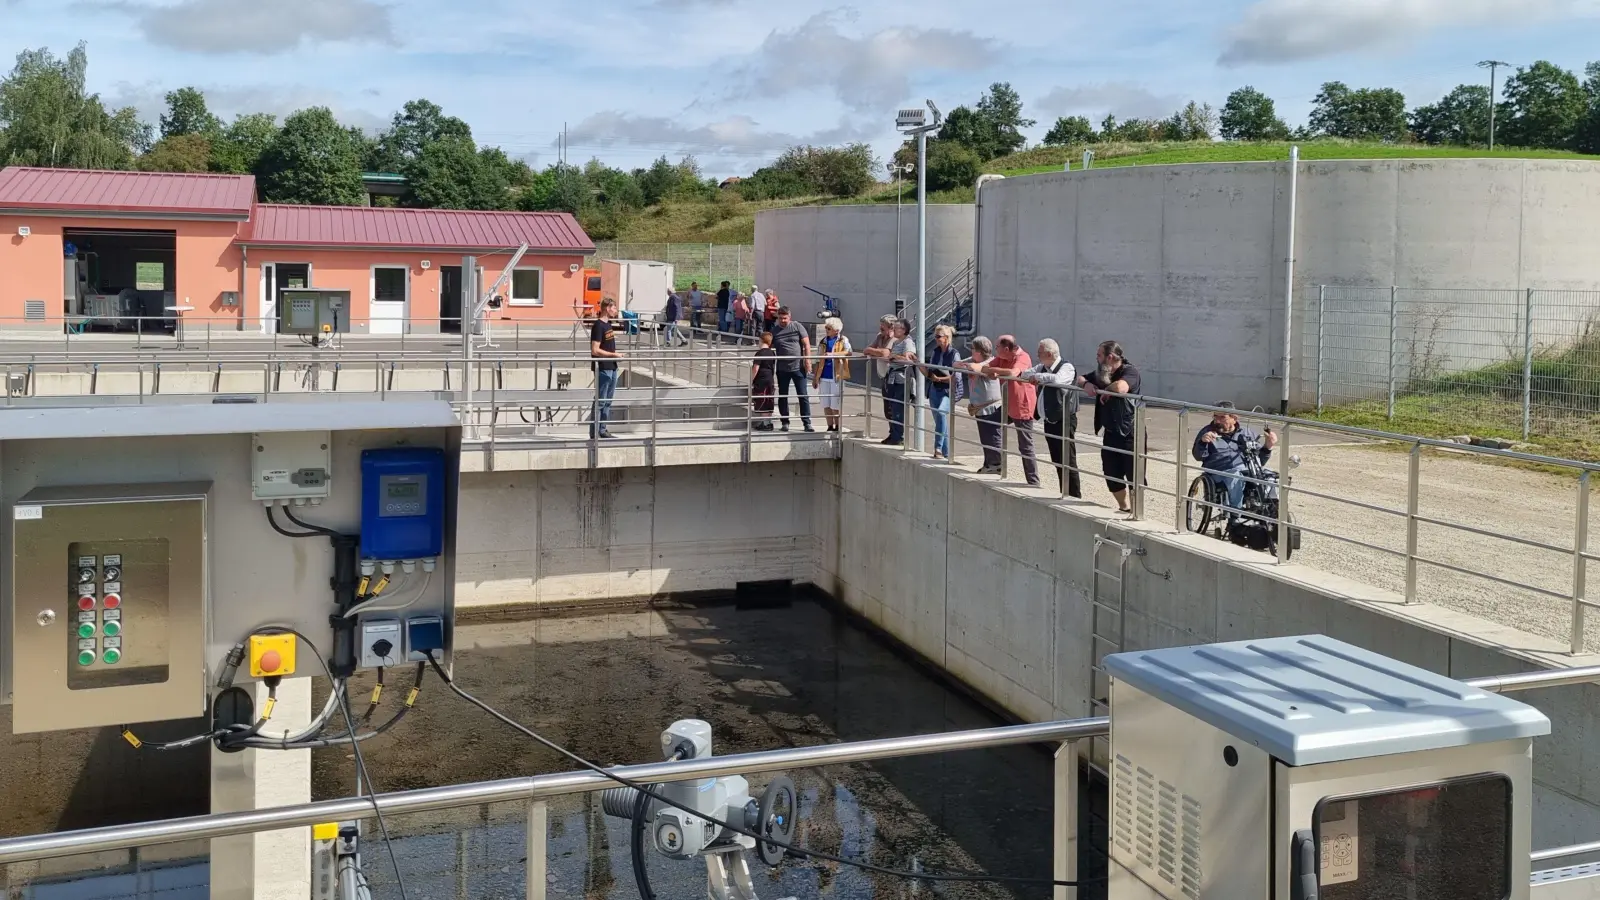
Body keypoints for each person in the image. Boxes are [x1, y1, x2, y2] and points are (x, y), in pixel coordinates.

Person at [1078, 340, 1142, 513]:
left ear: (1110, 357)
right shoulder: (1101, 372)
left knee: (1134, 473)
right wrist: (1086, 384)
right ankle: (1124, 507)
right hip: (1110, 431)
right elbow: (1080, 378)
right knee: (1110, 471)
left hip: (1131, 431)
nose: (1097, 359)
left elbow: (1121, 387)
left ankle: (1137, 511)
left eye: (1099, 355)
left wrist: (1106, 391)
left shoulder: (1130, 371)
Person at [1193, 401, 1277, 516]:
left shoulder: (1247, 432)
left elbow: (1259, 462)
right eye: (1215, 416)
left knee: (1271, 477)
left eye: (1222, 417)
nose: (1217, 421)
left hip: (1246, 470)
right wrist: (1202, 442)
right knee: (1235, 476)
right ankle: (1235, 516)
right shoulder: (1207, 432)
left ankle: (1272, 512)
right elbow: (1198, 456)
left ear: (1234, 418)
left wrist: (1268, 446)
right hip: (1219, 471)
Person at [1022, 339, 1081, 497]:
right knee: (1057, 459)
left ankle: (1074, 495)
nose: (1037, 355)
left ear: (1049, 354)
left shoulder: (1067, 367)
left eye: (1040, 353)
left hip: (1064, 420)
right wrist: (1037, 375)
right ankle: (1064, 492)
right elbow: (1025, 373)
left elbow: (1058, 380)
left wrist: (1038, 377)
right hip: (1049, 419)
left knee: (1068, 460)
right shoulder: (1043, 367)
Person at [979, 335, 1039, 486]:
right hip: (1007, 405)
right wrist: (997, 371)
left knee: (1025, 445)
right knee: (988, 422)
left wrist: (996, 371)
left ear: (1006, 349)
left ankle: (1033, 482)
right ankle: (995, 464)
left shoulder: (1023, 357)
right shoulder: (1002, 358)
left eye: (997, 347)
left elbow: (1013, 373)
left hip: (1022, 406)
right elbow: (984, 368)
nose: (995, 350)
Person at [959, 337, 1004, 474]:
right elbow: (956, 364)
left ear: (979, 351)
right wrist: (967, 365)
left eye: (973, 349)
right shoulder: (974, 360)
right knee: (985, 437)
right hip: (979, 407)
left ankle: (997, 465)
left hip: (991, 407)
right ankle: (989, 463)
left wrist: (968, 366)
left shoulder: (990, 362)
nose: (971, 351)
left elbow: (974, 368)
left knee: (993, 436)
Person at [770, 306, 814, 433]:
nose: (782, 321)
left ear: (790, 317)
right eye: (780, 318)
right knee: (783, 396)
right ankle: (785, 422)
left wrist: (807, 360)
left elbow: (806, 344)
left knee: (803, 395)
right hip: (782, 369)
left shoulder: (797, 326)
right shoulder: (775, 330)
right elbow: (767, 344)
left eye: (785, 318)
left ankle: (807, 423)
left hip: (798, 367)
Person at [879, 319, 919, 446]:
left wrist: (895, 357)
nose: (893, 330)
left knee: (897, 408)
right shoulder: (896, 342)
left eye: (896, 328)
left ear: (903, 330)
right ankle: (893, 434)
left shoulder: (908, 342)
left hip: (902, 379)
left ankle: (898, 437)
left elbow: (909, 359)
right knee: (891, 407)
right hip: (892, 378)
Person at [589, 297, 623, 439]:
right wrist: (613, 355)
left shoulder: (608, 325)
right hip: (603, 367)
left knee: (608, 401)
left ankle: (603, 430)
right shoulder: (598, 326)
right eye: (614, 308)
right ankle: (594, 432)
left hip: (612, 366)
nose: (616, 310)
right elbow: (595, 350)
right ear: (607, 308)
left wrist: (615, 356)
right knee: (600, 401)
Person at [812, 317, 852, 433]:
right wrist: (815, 377)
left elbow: (848, 352)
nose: (826, 330)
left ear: (836, 330)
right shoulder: (823, 341)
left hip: (837, 375)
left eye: (829, 328)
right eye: (826, 328)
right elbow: (818, 359)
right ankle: (830, 426)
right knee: (826, 403)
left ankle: (837, 426)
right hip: (824, 375)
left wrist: (833, 354)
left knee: (835, 403)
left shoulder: (843, 339)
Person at [924, 325, 958, 460]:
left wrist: (940, 378)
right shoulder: (935, 352)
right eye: (935, 336)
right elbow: (930, 370)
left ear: (947, 338)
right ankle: (946, 454)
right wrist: (925, 369)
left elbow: (956, 376)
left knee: (941, 413)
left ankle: (937, 448)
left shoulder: (954, 354)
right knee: (940, 421)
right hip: (934, 388)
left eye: (938, 336)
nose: (936, 339)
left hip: (947, 390)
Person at [862, 315, 897, 438]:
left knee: (894, 408)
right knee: (887, 408)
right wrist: (877, 352)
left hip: (893, 377)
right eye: (880, 324)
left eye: (883, 325)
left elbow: (885, 353)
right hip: (883, 376)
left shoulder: (895, 338)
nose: (880, 327)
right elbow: (866, 350)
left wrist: (875, 352)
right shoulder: (879, 336)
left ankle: (897, 435)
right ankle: (892, 433)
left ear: (891, 327)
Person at [750, 333, 777, 431]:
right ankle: (768, 422)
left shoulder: (759, 353)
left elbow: (755, 368)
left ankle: (765, 424)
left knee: (763, 400)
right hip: (770, 378)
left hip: (761, 379)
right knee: (769, 400)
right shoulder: (772, 353)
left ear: (761, 340)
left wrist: (751, 380)